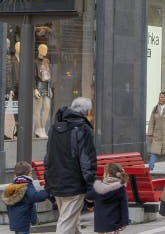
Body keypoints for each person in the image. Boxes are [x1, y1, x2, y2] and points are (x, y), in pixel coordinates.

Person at [45, 97, 97, 234]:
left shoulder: (54, 128)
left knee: (71, 222)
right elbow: (87, 160)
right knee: (66, 224)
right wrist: (91, 185)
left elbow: (48, 157)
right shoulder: (83, 128)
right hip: (74, 185)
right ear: (87, 112)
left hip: (56, 181)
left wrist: (48, 182)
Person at [3, 161, 51, 234]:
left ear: (15, 174)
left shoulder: (12, 186)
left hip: (15, 220)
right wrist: (47, 192)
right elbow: (34, 196)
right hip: (24, 220)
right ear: (29, 174)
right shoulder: (26, 185)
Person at [85, 162, 130, 234]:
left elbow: (88, 197)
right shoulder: (120, 188)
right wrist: (124, 222)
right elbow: (124, 206)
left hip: (100, 224)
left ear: (107, 174)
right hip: (114, 223)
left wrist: (90, 205)